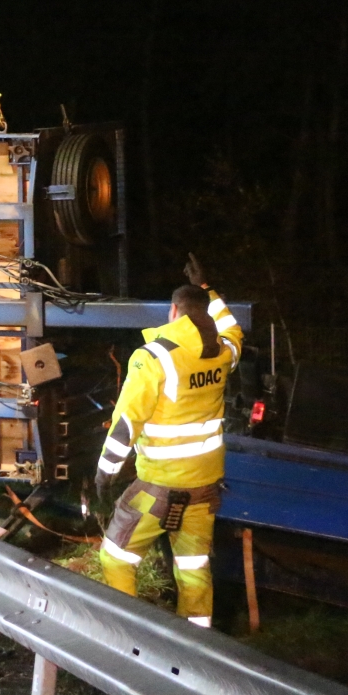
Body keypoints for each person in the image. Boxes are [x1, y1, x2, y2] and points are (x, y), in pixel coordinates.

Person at [94, 254, 243, 628]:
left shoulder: (153, 357)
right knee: (193, 570)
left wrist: (105, 473)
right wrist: (209, 289)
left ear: (173, 311)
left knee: (116, 558)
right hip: (205, 489)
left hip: (158, 488)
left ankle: (126, 636)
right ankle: (196, 647)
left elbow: (127, 423)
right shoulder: (222, 353)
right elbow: (234, 330)